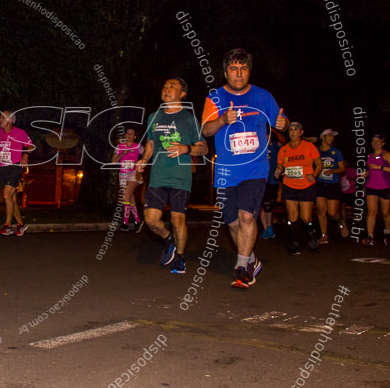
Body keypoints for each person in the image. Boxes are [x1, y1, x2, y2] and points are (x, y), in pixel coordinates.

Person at [201, 48, 287, 289]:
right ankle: (251, 258)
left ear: (249, 71)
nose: (238, 73)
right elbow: (206, 130)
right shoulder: (215, 97)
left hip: (255, 169)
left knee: (247, 216)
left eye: (243, 68)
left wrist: (283, 122)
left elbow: (281, 120)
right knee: (232, 222)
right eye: (233, 69)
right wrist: (222, 120)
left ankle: (242, 268)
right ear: (225, 72)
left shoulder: (263, 96)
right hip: (227, 171)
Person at [137, 78, 208, 275]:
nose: (167, 89)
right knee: (150, 219)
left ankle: (180, 256)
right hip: (158, 176)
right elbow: (151, 143)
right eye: (165, 85)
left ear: (183, 94)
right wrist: (144, 159)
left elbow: (204, 147)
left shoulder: (188, 119)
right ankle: (169, 240)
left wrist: (186, 148)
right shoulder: (154, 117)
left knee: (178, 220)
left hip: (180, 177)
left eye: (172, 87)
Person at [275, 122, 323, 255]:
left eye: (296, 130)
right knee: (292, 216)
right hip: (289, 185)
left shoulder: (309, 147)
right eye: (290, 130)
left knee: (305, 217)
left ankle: (311, 232)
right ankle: (295, 244)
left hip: (306, 185)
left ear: (301, 132)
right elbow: (280, 166)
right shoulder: (283, 150)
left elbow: (319, 163)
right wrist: (278, 171)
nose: (293, 132)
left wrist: (314, 175)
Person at [0, 110, 35, 236]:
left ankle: (7, 225)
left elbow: (31, 146)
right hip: (2, 168)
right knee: (11, 199)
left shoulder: (19, 133)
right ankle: (21, 224)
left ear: (9, 120)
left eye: (2, 118)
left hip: (15, 167)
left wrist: (25, 155)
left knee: (6, 195)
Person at [363, 134, 390, 246]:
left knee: (385, 212)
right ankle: (370, 236)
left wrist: (380, 167)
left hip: (385, 187)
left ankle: (387, 232)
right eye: (373, 141)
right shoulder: (369, 156)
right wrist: (365, 174)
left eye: (378, 141)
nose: (375, 143)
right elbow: (371, 170)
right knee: (371, 211)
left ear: (383, 143)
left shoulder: (386, 154)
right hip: (371, 186)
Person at [315, 128, 349, 243]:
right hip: (320, 183)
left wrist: (333, 171)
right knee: (321, 210)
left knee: (332, 212)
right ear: (323, 138)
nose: (331, 138)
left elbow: (342, 168)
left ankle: (340, 222)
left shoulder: (336, 152)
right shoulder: (316, 151)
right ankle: (324, 235)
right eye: (329, 136)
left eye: (332, 136)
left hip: (333, 184)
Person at [112, 126, 144, 232]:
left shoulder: (138, 146)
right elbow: (113, 161)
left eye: (131, 134)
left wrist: (142, 164)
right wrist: (123, 153)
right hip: (123, 175)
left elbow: (147, 155)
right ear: (125, 135)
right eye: (127, 133)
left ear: (134, 137)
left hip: (134, 174)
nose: (129, 135)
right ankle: (138, 221)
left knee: (125, 197)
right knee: (130, 199)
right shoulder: (119, 146)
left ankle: (125, 223)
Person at [259, 132, 285, 240]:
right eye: (264, 134)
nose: (266, 137)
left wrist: (273, 130)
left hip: (271, 181)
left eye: (267, 134)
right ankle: (265, 229)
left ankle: (270, 227)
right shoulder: (258, 146)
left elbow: (283, 140)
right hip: (259, 180)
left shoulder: (274, 146)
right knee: (261, 206)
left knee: (268, 206)